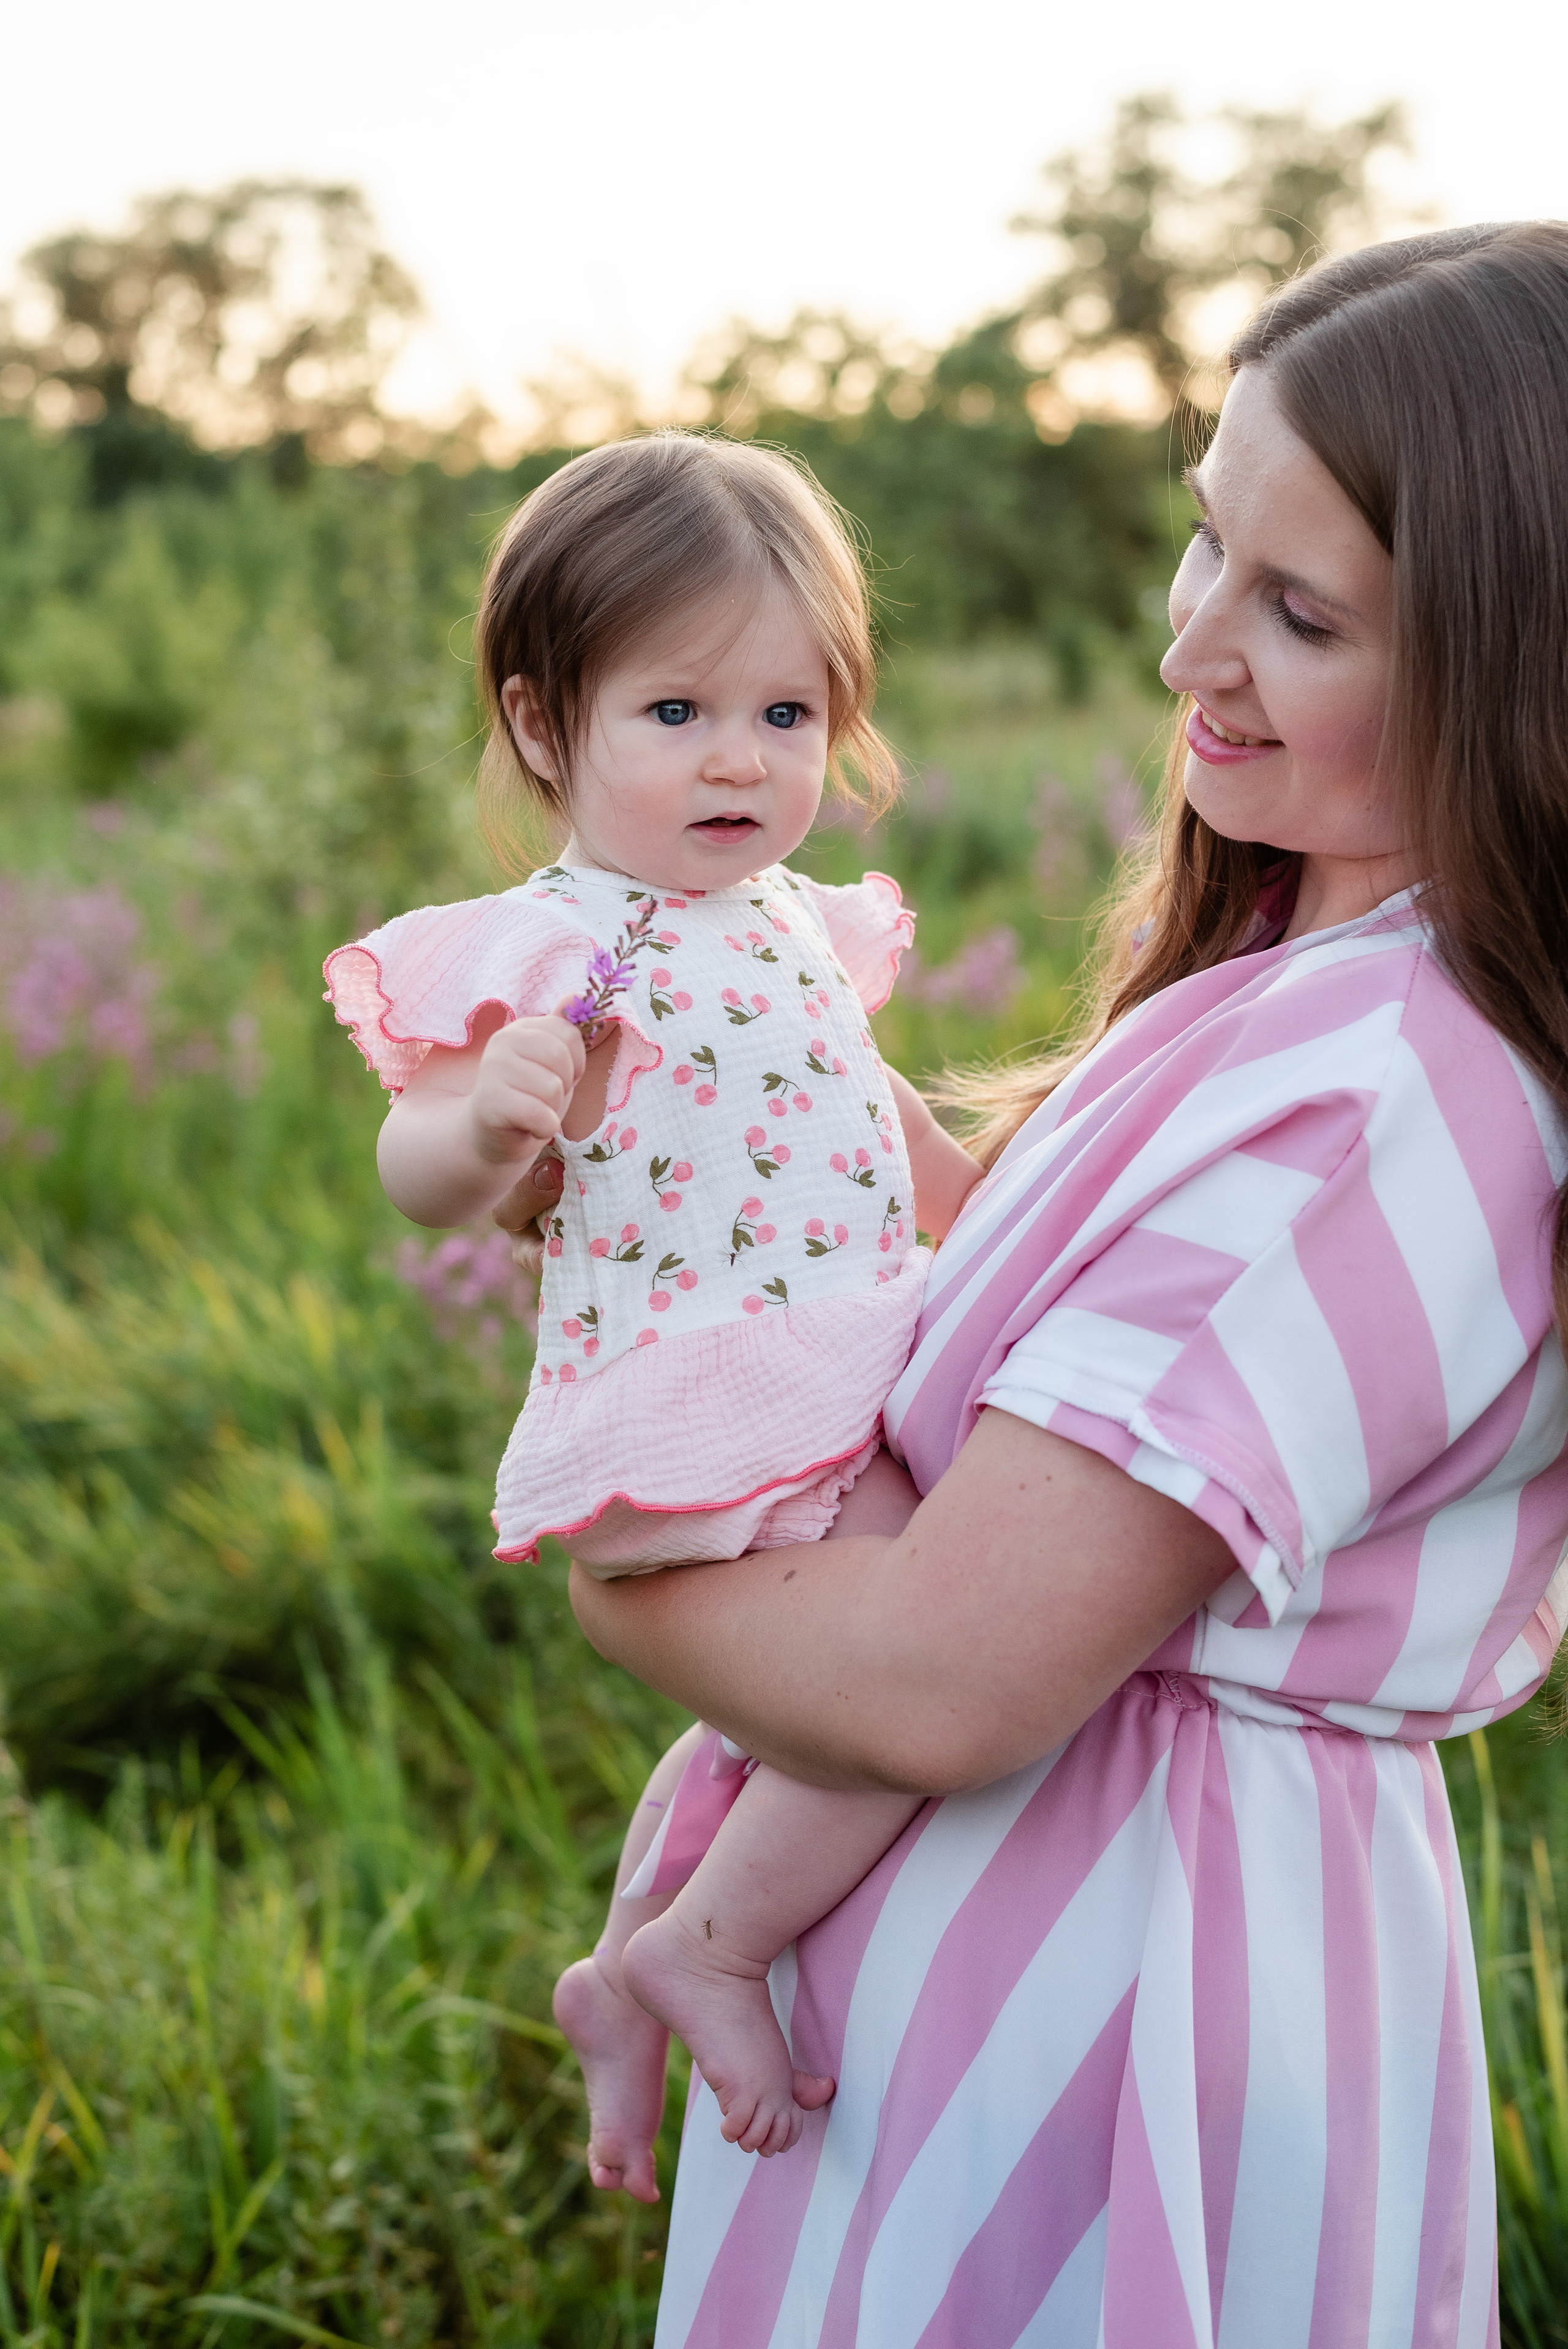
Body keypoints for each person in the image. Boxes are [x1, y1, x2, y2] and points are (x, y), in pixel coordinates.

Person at [570, 225, 1568, 2348]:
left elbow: (948, 1675)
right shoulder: (1324, 980)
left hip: (1106, 1988)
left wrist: (619, 1547)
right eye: (1208, 546)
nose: (1192, 647)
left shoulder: (1400, 1087)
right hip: (1012, 1951)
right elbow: (1028, 1319)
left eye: (1300, 615)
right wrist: (700, 1150)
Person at [323, 434, 984, 2202]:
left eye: (785, 715)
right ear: (547, 728)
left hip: (838, 1365)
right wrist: (484, 1122)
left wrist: (1005, 1218)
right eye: (677, 711)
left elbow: (874, 1115)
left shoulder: (788, 923)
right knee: (933, 1667)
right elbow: (417, 1168)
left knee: (771, 1720)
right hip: (714, 1398)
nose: (741, 761)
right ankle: (711, 1942)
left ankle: (622, 1975)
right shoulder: (559, 944)